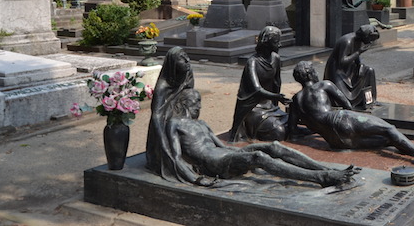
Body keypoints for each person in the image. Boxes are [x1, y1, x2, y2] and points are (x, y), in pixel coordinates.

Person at [166, 88, 358, 188]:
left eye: (199, 103)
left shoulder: (202, 124)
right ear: (184, 104)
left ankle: (326, 168)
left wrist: (243, 152)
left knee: (273, 147)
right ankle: (321, 177)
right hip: (214, 164)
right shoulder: (175, 124)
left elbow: (221, 145)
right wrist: (196, 179)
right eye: (195, 103)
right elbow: (175, 157)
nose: (198, 107)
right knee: (258, 157)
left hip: (225, 155)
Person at [289, 61, 414, 158]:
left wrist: (315, 130)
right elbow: (347, 104)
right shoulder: (324, 85)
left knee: (386, 140)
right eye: (314, 71)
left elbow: (293, 132)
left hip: (335, 141)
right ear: (310, 74)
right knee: (389, 130)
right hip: (340, 119)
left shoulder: (296, 99)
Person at [228, 26, 289, 142]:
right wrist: (276, 97)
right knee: (279, 132)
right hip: (255, 108)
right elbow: (257, 89)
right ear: (266, 43)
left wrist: (276, 103)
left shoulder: (276, 58)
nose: (279, 45)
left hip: (270, 106)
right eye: (276, 42)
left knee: (291, 125)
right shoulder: (253, 62)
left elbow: (277, 83)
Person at [146, 46, 195, 178]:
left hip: (181, 110)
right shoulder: (163, 86)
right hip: (165, 118)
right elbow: (156, 115)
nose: (187, 60)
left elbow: (189, 95)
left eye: (187, 56)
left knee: (193, 96)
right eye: (181, 58)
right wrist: (163, 142)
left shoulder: (187, 74)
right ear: (173, 63)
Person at [324, 24, 378, 109]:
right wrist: (359, 52)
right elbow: (342, 61)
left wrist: (359, 65)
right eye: (370, 39)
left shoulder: (359, 40)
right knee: (343, 100)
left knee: (369, 71)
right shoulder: (347, 41)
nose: (370, 42)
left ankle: (371, 100)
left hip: (350, 68)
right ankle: (354, 102)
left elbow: (355, 56)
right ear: (365, 36)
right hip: (338, 72)